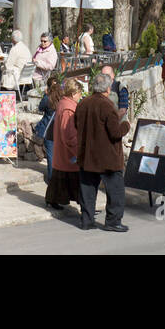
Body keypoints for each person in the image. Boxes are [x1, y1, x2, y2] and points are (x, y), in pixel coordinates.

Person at [74, 72, 131, 232]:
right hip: (107, 158)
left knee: (88, 190)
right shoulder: (107, 106)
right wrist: (126, 125)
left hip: (87, 155)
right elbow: (115, 132)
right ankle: (113, 221)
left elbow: (76, 125)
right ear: (107, 88)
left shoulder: (83, 103)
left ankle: (87, 220)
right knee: (116, 191)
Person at [46, 79, 83, 210]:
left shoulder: (63, 104)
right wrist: (77, 150)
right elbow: (69, 134)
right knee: (76, 181)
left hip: (62, 151)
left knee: (60, 178)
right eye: (79, 93)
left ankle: (53, 200)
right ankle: (86, 206)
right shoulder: (69, 109)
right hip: (67, 152)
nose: (80, 96)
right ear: (73, 94)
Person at [36, 76, 63, 184]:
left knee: (51, 156)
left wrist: (45, 94)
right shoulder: (63, 98)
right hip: (61, 129)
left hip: (49, 130)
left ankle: (52, 179)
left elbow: (40, 108)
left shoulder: (47, 98)